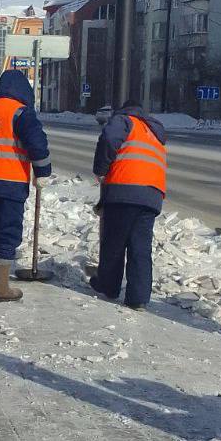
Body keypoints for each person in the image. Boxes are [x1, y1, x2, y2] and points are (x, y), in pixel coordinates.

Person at [0, 68, 52, 303]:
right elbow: (37, 143)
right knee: (7, 232)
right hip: (8, 183)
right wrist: (42, 171)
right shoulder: (20, 113)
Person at [90, 97, 167, 309]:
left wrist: (100, 170)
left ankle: (107, 286)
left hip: (124, 190)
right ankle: (138, 298)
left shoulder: (124, 121)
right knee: (140, 248)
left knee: (114, 242)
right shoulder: (154, 131)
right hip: (152, 195)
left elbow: (108, 140)